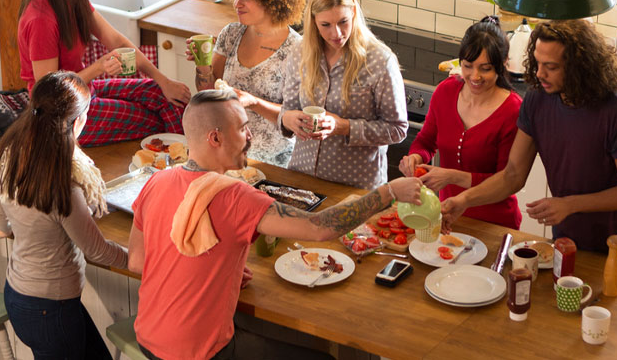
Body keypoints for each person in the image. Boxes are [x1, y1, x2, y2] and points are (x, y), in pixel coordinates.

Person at [128, 89, 423, 360]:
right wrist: (389, 192)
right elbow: (319, 226)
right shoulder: (234, 196)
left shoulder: (156, 181)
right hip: (200, 353)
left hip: (148, 340)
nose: (251, 135)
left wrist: (218, 270)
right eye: (243, 128)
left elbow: (138, 263)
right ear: (215, 139)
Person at [441, 19, 617, 259]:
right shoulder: (538, 101)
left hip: (616, 247)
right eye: (538, 63)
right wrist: (464, 200)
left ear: (579, 66)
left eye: (551, 66)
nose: (539, 73)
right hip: (565, 240)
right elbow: (512, 175)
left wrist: (570, 204)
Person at [0, 71, 127, 359]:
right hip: (51, 309)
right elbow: (96, 250)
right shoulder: (63, 186)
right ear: (77, 121)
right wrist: (140, 261)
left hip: (20, 296)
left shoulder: (9, 157)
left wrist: (10, 229)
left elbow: (2, 220)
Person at [17, 0, 191, 146]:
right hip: (63, 117)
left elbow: (117, 42)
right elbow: (48, 93)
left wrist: (163, 80)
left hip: (86, 92)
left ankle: (187, 166)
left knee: (167, 96)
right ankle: (185, 168)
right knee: (156, 120)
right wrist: (99, 67)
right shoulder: (41, 18)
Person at [279, 0, 408, 190]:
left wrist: (344, 127)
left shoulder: (379, 61)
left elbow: (398, 129)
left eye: (343, 22)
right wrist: (286, 118)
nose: (336, 33)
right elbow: (287, 110)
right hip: (302, 178)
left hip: (356, 186)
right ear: (313, 21)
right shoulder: (299, 52)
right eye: (326, 25)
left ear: (354, 13)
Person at [398, 17, 524, 230]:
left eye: (485, 69)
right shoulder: (445, 92)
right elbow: (426, 142)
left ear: (502, 65)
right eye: (468, 66)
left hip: (496, 224)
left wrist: (451, 176)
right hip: (447, 216)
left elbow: (506, 180)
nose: (475, 76)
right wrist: (415, 158)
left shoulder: (513, 111)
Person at [191, 0, 305, 167]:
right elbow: (208, 92)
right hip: (225, 157)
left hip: (272, 164)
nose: (237, 4)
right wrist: (202, 63)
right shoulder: (231, 34)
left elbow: (297, 119)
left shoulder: (298, 49)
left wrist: (253, 101)